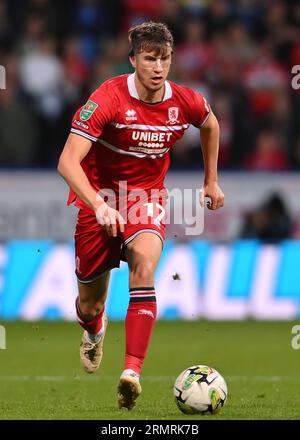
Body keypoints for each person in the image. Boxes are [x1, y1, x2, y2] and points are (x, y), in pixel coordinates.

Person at [57, 22, 224, 410]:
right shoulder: (108, 99)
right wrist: (99, 205)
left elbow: (210, 124)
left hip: (145, 199)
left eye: (164, 58)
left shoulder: (185, 101)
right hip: (97, 200)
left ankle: (131, 373)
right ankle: (94, 330)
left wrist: (211, 181)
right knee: (91, 303)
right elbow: (67, 161)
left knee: (144, 267)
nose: (158, 67)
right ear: (133, 60)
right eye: (149, 58)